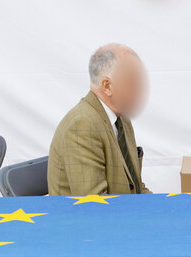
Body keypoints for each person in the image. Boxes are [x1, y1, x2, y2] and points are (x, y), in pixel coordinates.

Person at [48, 43, 151, 195]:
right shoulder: (82, 125)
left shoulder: (122, 120)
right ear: (107, 86)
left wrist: (163, 211)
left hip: (124, 213)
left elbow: (137, 188)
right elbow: (94, 205)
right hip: (95, 217)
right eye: (132, 81)